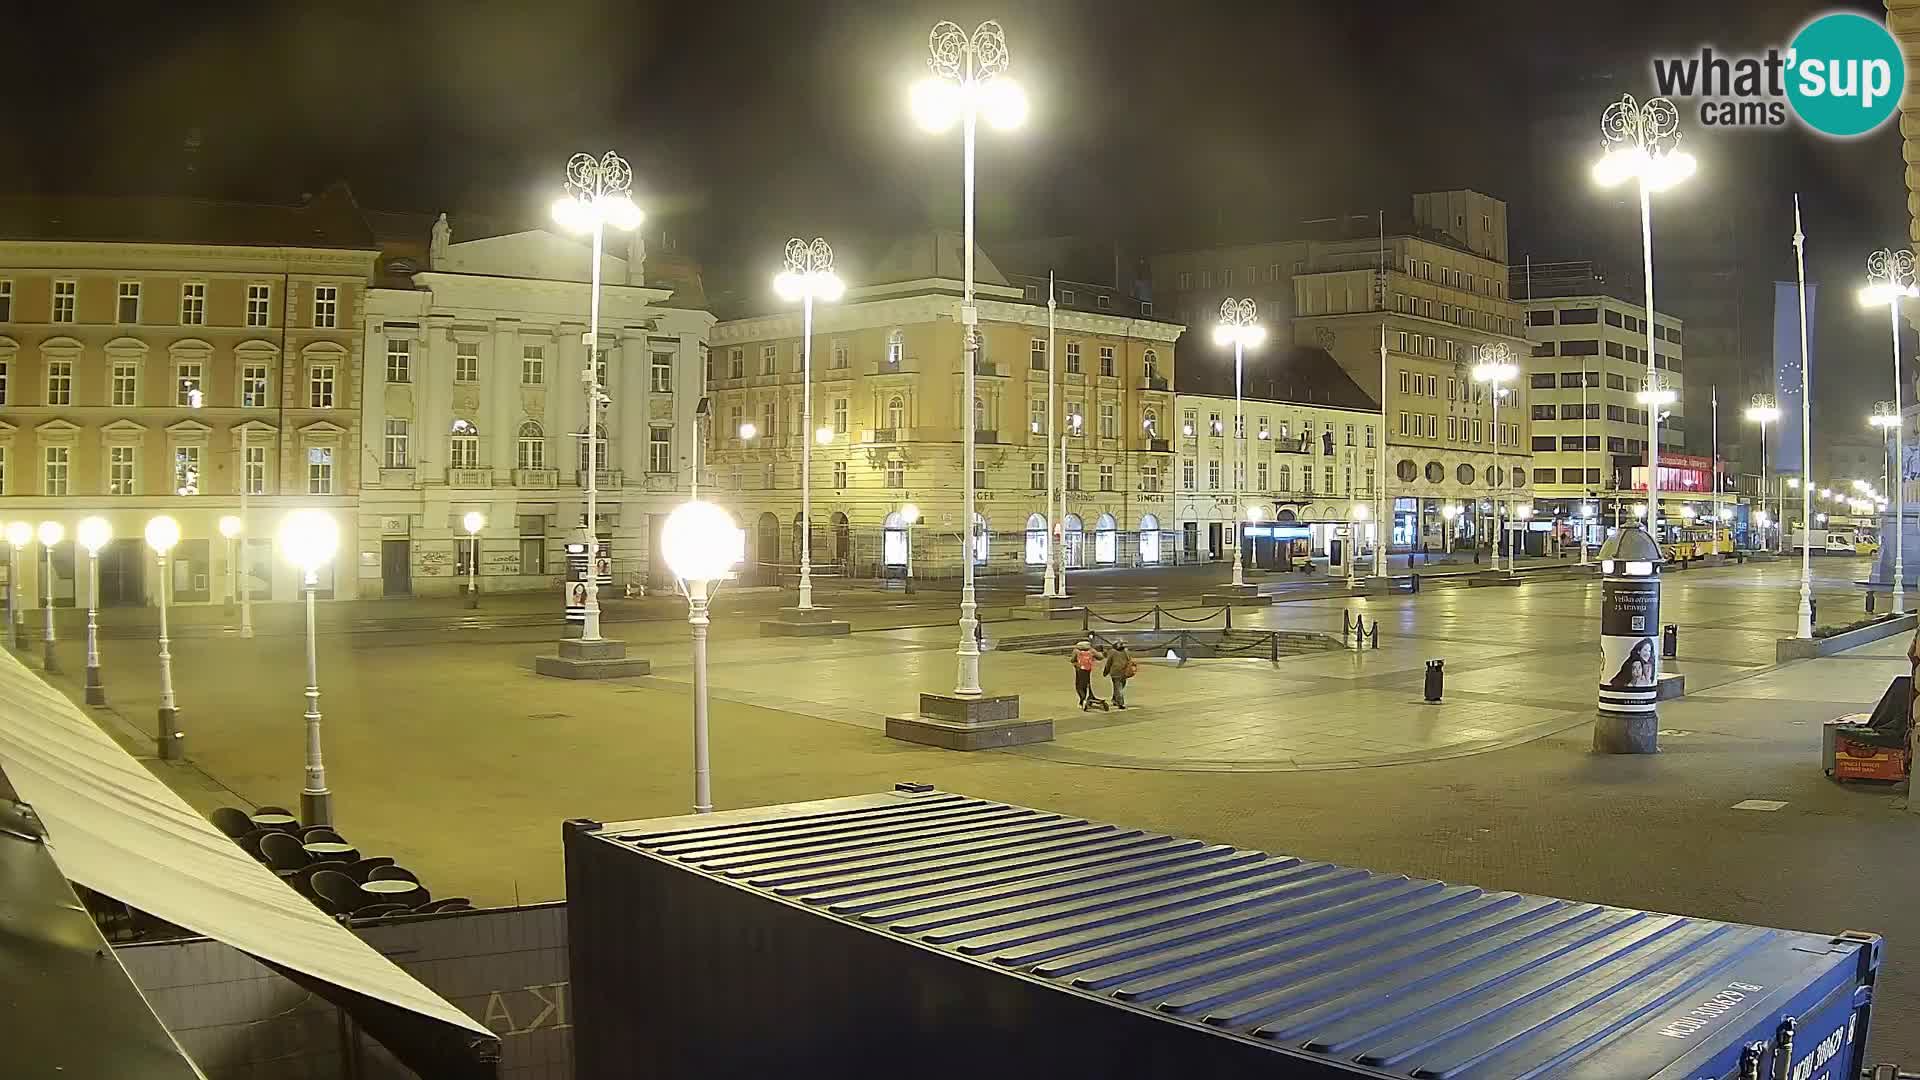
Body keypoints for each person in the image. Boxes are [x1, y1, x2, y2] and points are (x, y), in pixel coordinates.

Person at [1103, 642, 1135, 709]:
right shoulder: (1126, 652)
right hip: (1124, 672)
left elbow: (1108, 663)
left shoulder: (1113, 652)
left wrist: (1105, 672)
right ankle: (1119, 701)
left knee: (1118, 687)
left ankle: (1118, 701)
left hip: (1116, 672)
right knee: (1120, 687)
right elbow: (1130, 661)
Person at [1070, 640, 1099, 709]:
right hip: (1088, 669)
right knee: (1086, 684)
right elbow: (1100, 657)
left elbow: (1072, 660)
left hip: (1079, 670)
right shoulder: (1091, 650)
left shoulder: (1076, 651)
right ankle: (1088, 697)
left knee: (1079, 686)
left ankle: (1082, 700)